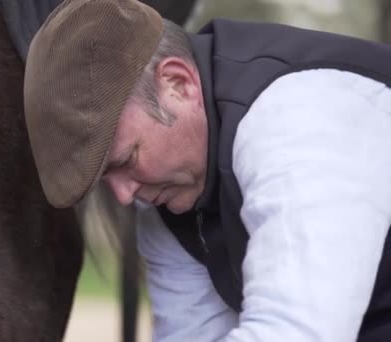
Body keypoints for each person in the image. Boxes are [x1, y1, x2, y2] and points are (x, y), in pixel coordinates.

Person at [23, 0, 391, 341]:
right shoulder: (170, 200)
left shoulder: (296, 117)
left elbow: (293, 333)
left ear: (176, 83)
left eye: (126, 160)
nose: (123, 195)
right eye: (108, 179)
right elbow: (191, 334)